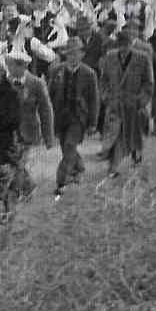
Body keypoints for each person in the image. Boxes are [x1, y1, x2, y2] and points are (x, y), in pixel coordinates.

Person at [98, 25, 154, 177]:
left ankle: (136, 154)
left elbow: (148, 83)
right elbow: (103, 80)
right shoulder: (110, 57)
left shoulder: (143, 58)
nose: (124, 49)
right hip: (115, 104)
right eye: (121, 45)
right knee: (116, 135)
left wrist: (141, 100)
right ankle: (113, 168)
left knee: (134, 133)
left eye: (127, 45)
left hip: (133, 104)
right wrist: (105, 97)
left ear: (131, 44)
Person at [47, 38, 100, 199]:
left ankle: (61, 182)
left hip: (78, 118)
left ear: (82, 54)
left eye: (75, 53)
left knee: (70, 145)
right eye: (69, 54)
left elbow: (94, 99)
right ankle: (79, 167)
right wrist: (49, 118)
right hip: (60, 117)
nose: (72, 57)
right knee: (66, 147)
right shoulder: (57, 71)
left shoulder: (89, 74)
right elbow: (49, 95)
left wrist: (93, 122)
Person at [4, 49, 54, 199]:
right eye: (9, 65)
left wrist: (48, 136)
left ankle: (18, 192)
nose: (10, 69)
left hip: (29, 130)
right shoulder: (4, 82)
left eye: (14, 65)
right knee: (15, 162)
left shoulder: (36, 83)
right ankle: (27, 187)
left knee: (21, 163)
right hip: (9, 131)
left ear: (24, 66)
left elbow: (46, 110)